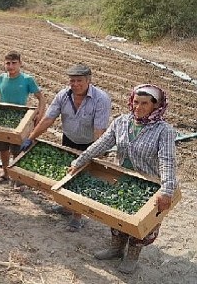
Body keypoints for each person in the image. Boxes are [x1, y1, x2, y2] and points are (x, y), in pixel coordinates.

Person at [68, 84, 178, 274]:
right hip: (122, 179)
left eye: (145, 103)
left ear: (156, 105)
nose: (138, 107)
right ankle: (116, 248)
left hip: (148, 185)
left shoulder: (164, 130)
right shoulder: (122, 122)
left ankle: (132, 256)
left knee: (141, 224)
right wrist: (80, 160)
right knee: (117, 216)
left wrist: (167, 190)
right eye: (136, 102)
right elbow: (102, 144)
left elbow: (167, 161)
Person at [20, 64, 111, 231]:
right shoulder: (63, 95)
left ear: (89, 80)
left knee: (79, 179)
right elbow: (48, 119)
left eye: (79, 80)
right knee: (66, 174)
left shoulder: (101, 99)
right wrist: (30, 138)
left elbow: (100, 131)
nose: (75, 84)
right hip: (69, 139)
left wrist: (96, 154)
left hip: (89, 144)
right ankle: (67, 207)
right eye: (72, 80)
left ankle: (77, 217)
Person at [0, 51, 45, 191]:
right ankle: (5, 173)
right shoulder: (0, 79)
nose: (10, 66)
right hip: (2, 118)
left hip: (21, 120)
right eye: (8, 63)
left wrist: (39, 114)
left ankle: (17, 178)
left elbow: (41, 98)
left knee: (17, 150)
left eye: (14, 63)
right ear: (4, 64)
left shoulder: (27, 80)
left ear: (20, 63)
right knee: (2, 148)